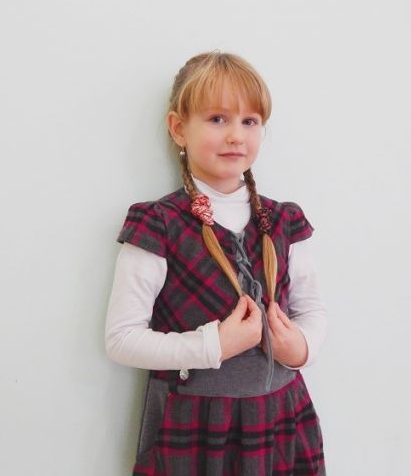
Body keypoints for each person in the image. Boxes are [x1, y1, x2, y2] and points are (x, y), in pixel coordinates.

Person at [105, 51, 328, 475]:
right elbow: (121, 338)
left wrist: (300, 348)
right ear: (178, 128)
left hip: (282, 419)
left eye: (250, 121)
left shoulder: (285, 221)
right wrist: (214, 346)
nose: (236, 136)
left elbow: (312, 310)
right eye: (217, 119)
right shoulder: (159, 224)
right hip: (195, 424)